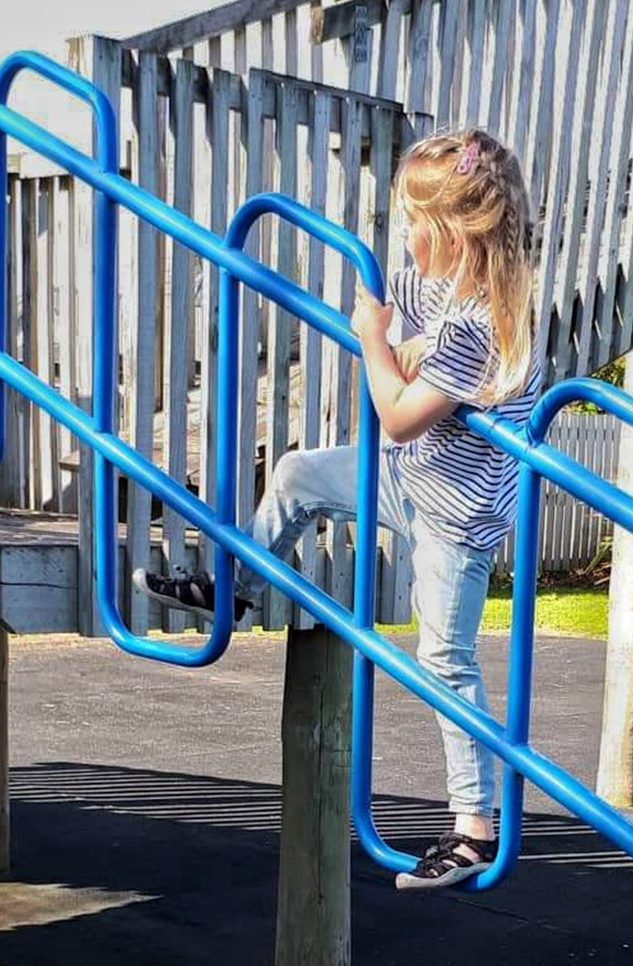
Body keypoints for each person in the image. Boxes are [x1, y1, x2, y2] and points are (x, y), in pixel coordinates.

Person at [134, 128, 543, 890]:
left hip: (456, 518)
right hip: (410, 476)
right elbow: (403, 325)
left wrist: (374, 342)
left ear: (456, 235)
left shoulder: (483, 323)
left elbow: (395, 412)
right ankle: (238, 586)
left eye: (416, 224)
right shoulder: (433, 283)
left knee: (444, 659)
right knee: (294, 473)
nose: (405, 240)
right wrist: (399, 336)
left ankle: (475, 827)